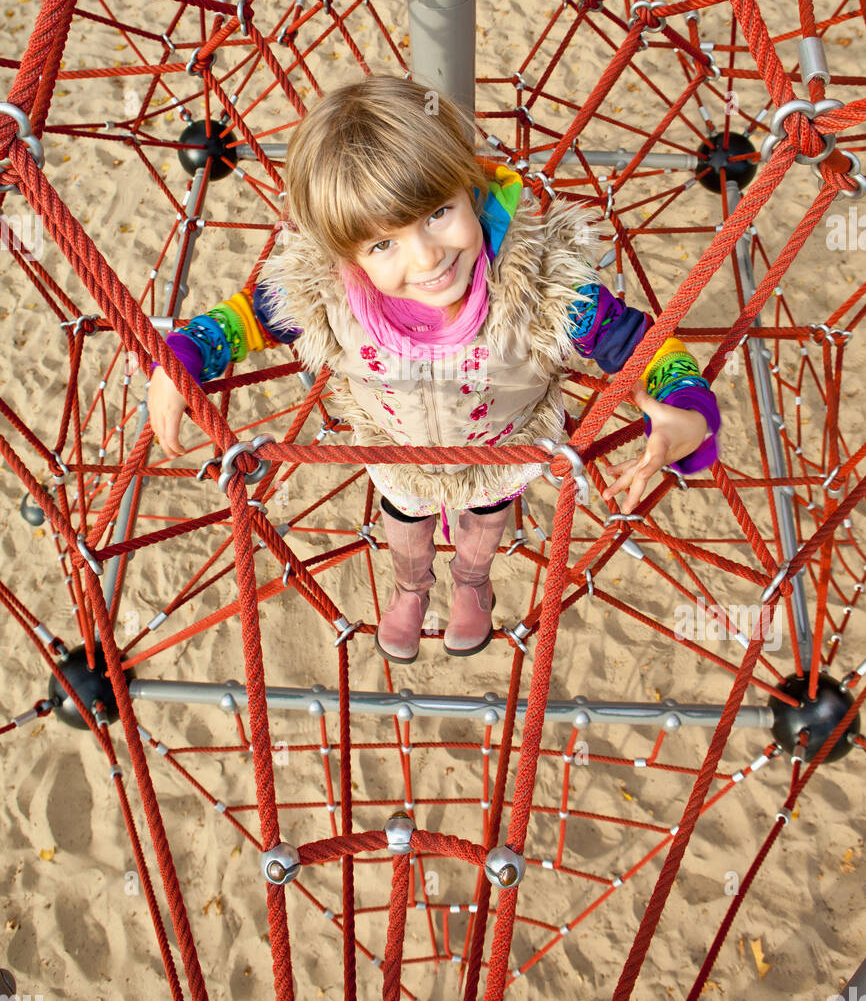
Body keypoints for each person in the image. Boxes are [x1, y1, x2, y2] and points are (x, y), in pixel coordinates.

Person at [148, 76, 720, 664]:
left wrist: (686, 407)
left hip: (502, 446)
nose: (426, 258)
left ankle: (472, 583)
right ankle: (411, 586)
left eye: (438, 212)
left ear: (470, 187)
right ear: (345, 255)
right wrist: (182, 359)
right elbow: (238, 323)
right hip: (396, 449)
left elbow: (641, 343)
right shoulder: (328, 293)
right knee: (404, 517)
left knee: (486, 517)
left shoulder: (541, 283)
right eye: (381, 245)